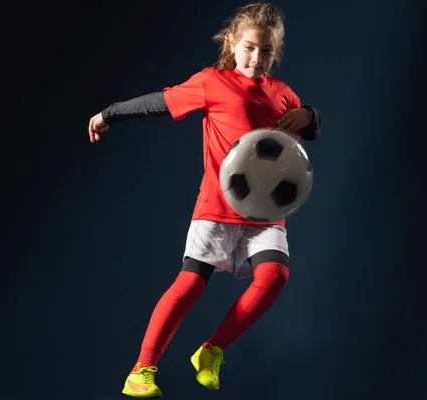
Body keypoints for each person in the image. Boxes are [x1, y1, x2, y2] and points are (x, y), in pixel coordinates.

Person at [87, 2, 321, 398]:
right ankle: (141, 370)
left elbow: (309, 131)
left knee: (275, 276)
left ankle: (211, 350)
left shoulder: (282, 94)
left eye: (266, 52)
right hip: (217, 205)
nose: (256, 58)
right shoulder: (214, 82)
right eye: (249, 48)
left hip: (266, 212)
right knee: (191, 284)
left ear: (275, 53)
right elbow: (160, 101)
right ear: (232, 42)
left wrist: (309, 115)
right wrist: (110, 114)